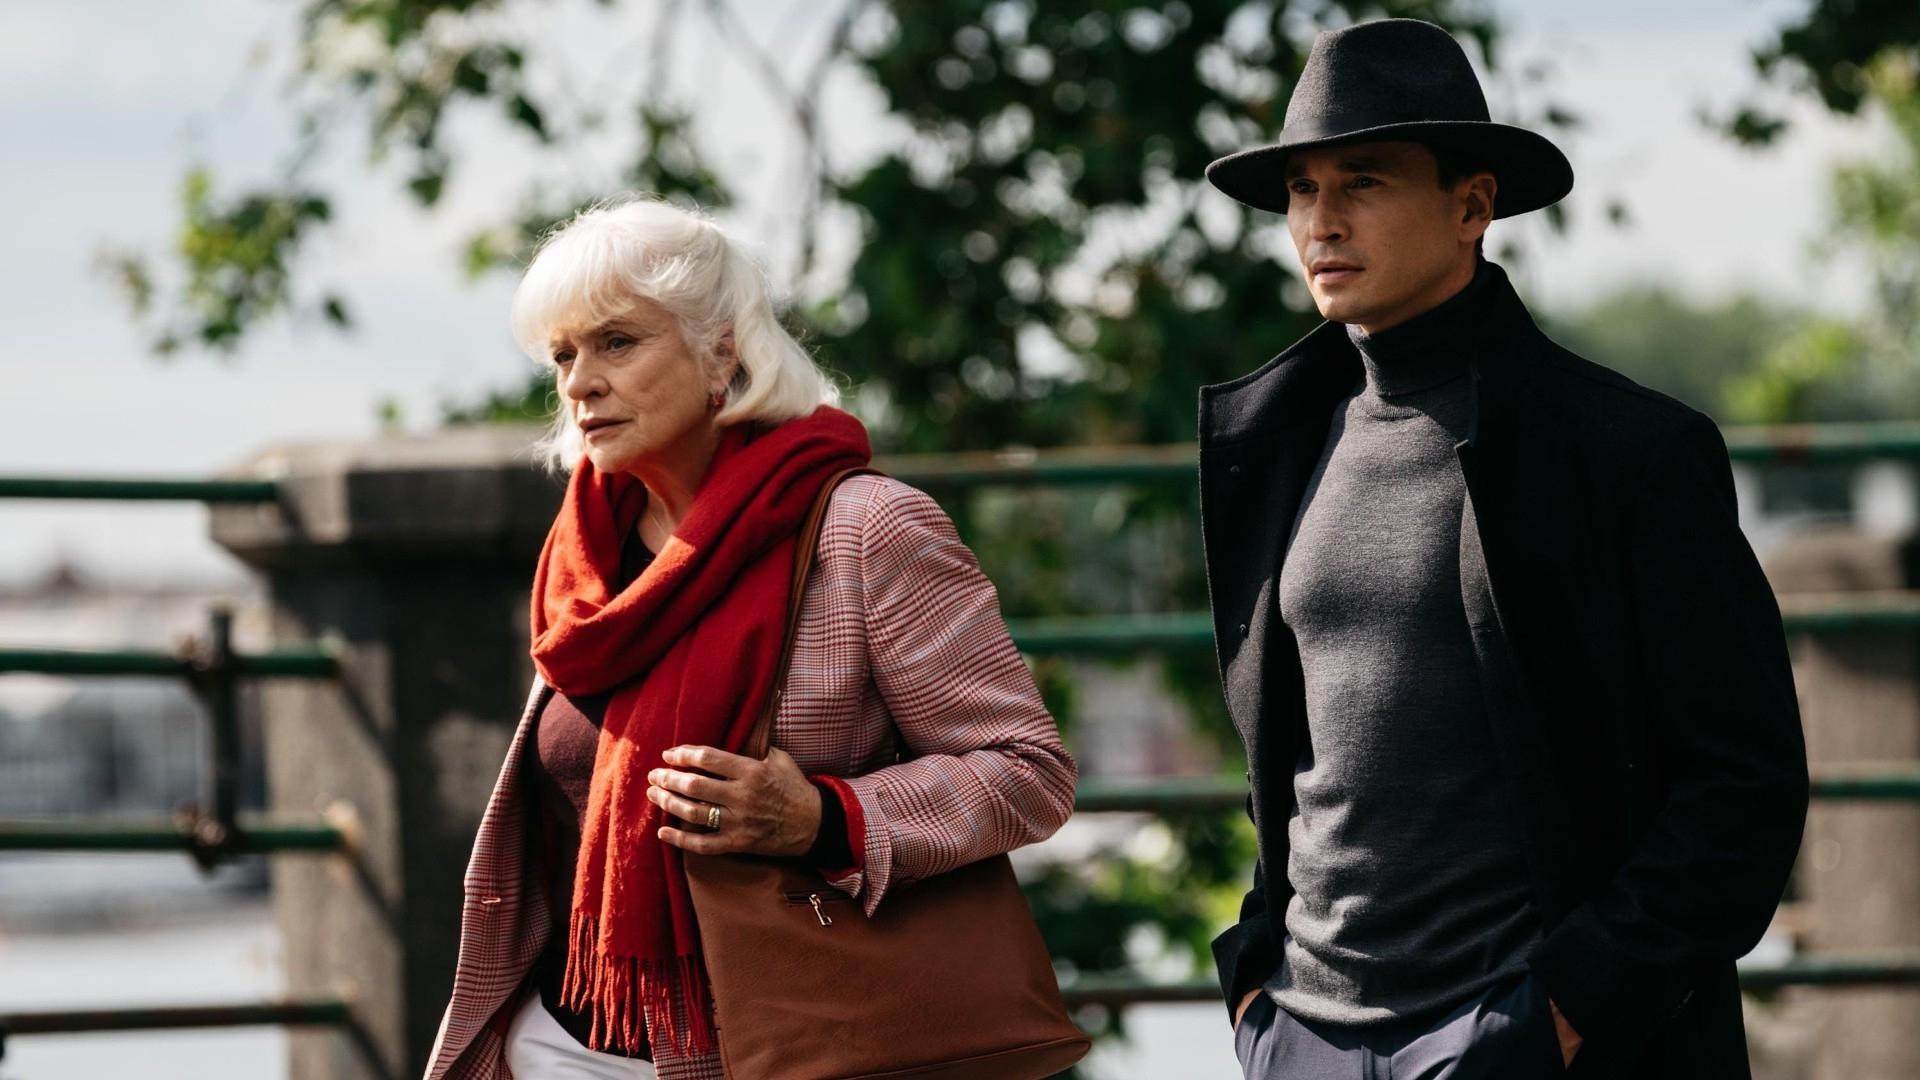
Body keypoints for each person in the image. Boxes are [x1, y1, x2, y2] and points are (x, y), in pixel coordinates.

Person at [1197, 19, 1808, 1080]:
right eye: (1301, 188)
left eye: (1364, 181)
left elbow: (1745, 790)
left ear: (1472, 206)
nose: (1322, 221)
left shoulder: (1627, 451)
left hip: (1513, 1031)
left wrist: (1566, 1011)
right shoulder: (1280, 443)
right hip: (1304, 1032)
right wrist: (1257, 994)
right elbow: (1288, 764)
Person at [421, 196, 1078, 1080]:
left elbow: (1028, 772)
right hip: (555, 1043)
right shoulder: (583, 556)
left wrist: (824, 817)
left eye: (617, 342)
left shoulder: (866, 529)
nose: (579, 383)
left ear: (722, 351)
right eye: (564, 355)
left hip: (779, 1047)